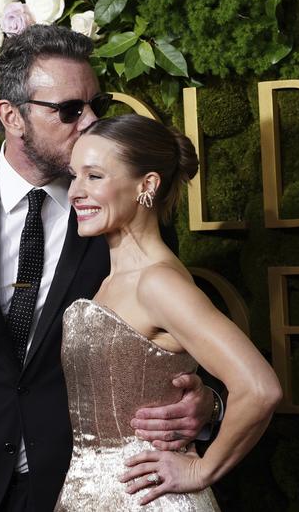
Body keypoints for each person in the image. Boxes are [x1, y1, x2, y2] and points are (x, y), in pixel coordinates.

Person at [0, 26, 217, 512]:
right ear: (12, 116)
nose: (91, 122)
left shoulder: (123, 212)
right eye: (70, 110)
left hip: (79, 488)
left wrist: (204, 404)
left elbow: (177, 348)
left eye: (98, 104)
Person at [54, 114, 282, 511]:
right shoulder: (114, 280)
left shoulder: (157, 283)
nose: (75, 191)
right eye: (74, 176)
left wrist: (202, 470)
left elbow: (260, 388)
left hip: (147, 500)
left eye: (94, 176)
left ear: (148, 185)